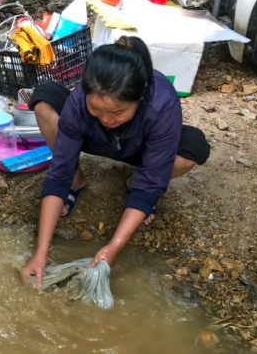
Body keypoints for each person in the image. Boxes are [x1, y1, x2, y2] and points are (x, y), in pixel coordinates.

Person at [23, 37, 210, 287]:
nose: (106, 119)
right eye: (96, 109)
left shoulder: (162, 103)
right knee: (45, 96)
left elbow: (151, 183)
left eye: (118, 112)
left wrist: (113, 247)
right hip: (93, 139)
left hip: (139, 149)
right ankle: (77, 182)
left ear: (140, 98)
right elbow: (57, 176)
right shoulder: (80, 101)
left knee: (191, 150)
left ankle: (133, 183)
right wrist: (40, 253)